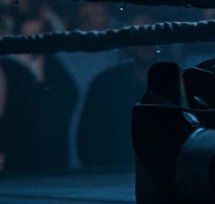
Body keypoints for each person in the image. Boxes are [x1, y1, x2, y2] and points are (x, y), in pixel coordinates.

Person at [0, 13, 79, 172]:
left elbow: (69, 99)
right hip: (15, 154)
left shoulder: (55, 67)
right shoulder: (8, 68)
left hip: (47, 154)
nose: (33, 40)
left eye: (38, 35)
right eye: (28, 36)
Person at [76, 17, 160, 167]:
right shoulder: (105, 84)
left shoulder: (176, 80)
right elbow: (87, 139)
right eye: (138, 36)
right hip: (113, 174)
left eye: (151, 33)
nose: (145, 43)